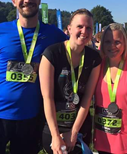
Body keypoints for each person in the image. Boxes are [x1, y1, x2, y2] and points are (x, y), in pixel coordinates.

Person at [0, 0, 67, 154]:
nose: (27, 0)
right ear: (13, 1)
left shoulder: (54, 35)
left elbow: (76, 51)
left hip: (30, 117)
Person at [39, 8, 101, 154]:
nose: (84, 31)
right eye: (80, 26)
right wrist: (55, 135)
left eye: (89, 28)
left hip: (79, 127)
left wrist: (73, 133)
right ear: (69, 29)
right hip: (53, 126)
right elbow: (47, 98)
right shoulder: (52, 53)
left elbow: (87, 99)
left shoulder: (94, 58)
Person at [94, 23, 127, 154]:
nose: (112, 46)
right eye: (108, 42)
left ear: (125, 43)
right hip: (103, 142)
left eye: (117, 42)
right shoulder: (97, 66)